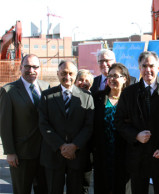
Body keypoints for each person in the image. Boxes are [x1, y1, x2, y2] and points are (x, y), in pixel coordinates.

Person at [115, 51, 159, 194]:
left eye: (151, 66)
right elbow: (119, 122)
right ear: (139, 68)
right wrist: (135, 135)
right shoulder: (128, 93)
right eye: (144, 66)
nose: (148, 70)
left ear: (158, 67)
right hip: (137, 157)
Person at [39, 60, 94, 194]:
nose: (67, 77)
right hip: (53, 155)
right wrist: (61, 146)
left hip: (77, 156)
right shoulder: (47, 95)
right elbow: (43, 123)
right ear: (58, 74)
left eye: (70, 73)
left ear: (75, 75)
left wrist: (74, 146)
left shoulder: (87, 97)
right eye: (63, 73)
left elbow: (89, 125)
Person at [0, 54, 49, 194]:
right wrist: (10, 152)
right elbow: (4, 125)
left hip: (44, 153)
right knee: (22, 190)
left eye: (35, 67)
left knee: (44, 189)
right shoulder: (8, 91)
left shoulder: (46, 87)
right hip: (21, 154)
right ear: (20, 67)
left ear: (40, 69)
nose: (31, 70)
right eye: (27, 66)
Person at [93, 63, 131, 194]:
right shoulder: (97, 97)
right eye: (109, 76)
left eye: (116, 76)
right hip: (103, 151)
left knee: (121, 187)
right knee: (103, 186)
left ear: (125, 78)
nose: (112, 79)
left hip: (124, 153)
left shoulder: (131, 99)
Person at [74, 69, 94, 194]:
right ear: (75, 82)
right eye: (80, 80)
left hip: (90, 148)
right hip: (75, 146)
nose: (83, 83)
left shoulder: (96, 98)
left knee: (86, 181)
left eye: (87, 80)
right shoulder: (69, 98)